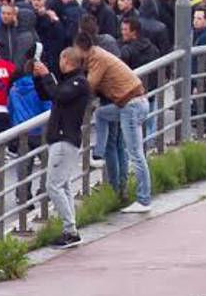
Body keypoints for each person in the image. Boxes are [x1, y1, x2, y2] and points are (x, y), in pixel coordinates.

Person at [76, 30, 152, 213]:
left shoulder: (97, 59)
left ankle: (144, 199)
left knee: (135, 153)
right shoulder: (98, 55)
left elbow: (90, 86)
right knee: (101, 114)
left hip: (131, 105)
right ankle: (99, 154)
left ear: (81, 48)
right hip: (132, 102)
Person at [34, 48, 91, 247]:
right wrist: (39, 78)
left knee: (53, 186)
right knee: (63, 185)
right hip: (61, 139)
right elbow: (48, 95)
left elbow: (59, 95)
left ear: (66, 60)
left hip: (64, 139)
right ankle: (71, 229)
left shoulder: (79, 83)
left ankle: (70, 230)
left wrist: (46, 76)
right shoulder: (68, 81)